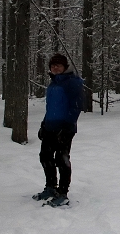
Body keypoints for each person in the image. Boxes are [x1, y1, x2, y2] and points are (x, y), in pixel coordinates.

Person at [33, 54, 84, 207]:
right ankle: (50, 188)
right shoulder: (53, 84)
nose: (55, 68)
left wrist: (67, 127)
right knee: (45, 157)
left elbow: (76, 107)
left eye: (58, 65)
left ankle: (63, 193)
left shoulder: (72, 82)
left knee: (62, 159)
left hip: (65, 128)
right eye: (53, 65)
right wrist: (43, 125)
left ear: (65, 67)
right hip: (50, 127)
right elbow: (51, 108)